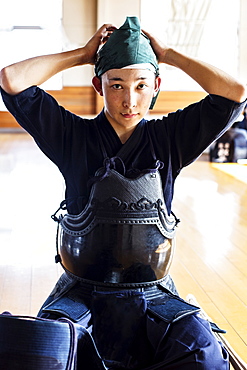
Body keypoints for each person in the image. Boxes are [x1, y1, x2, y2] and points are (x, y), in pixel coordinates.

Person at [0, 16, 246, 370]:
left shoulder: (170, 139)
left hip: (153, 295)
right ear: (99, 86)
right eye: (116, 85)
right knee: (45, 354)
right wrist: (82, 54)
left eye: (141, 85)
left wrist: (170, 55)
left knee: (204, 356)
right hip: (81, 291)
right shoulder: (72, 136)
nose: (129, 99)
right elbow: (12, 80)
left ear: (157, 85)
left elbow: (235, 92)